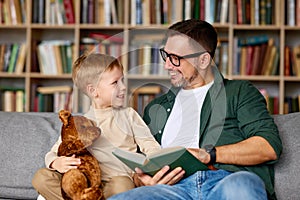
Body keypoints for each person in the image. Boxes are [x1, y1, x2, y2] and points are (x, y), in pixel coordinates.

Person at [108, 19, 282, 200]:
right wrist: (142, 180)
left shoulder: (239, 92)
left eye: (175, 58)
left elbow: (268, 146)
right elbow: (141, 162)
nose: (167, 65)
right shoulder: (156, 107)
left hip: (224, 180)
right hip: (173, 189)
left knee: (240, 187)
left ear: (204, 59)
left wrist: (208, 155)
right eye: (166, 55)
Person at [32, 53, 161, 199]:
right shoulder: (78, 123)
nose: (124, 87)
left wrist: (155, 167)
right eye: (115, 83)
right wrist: (56, 162)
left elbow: (150, 146)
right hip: (85, 185)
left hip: (115, 184)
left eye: (122, 80)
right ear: (93, 90)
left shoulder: (129, 115)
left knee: (123, 186)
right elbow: (53, 152)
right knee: (41, 177)